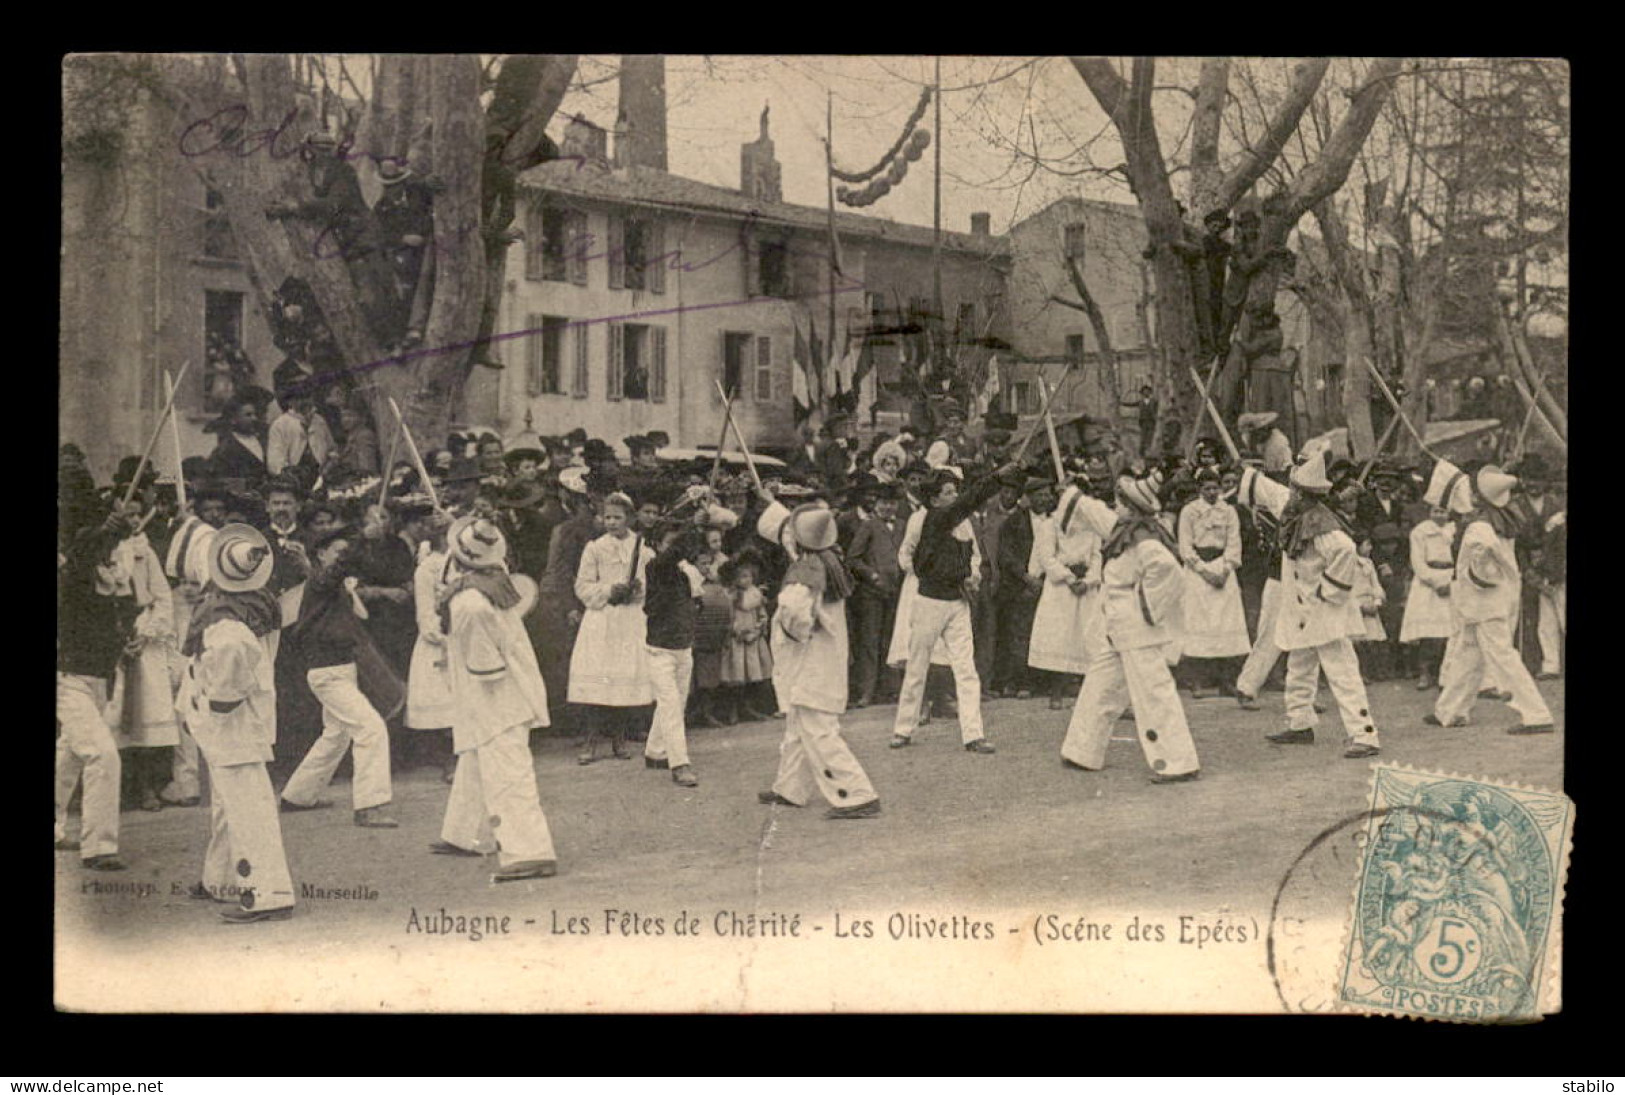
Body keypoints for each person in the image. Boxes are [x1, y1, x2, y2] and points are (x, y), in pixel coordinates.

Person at [175, 524, 298, 922]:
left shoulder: (225, 622)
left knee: (248, 806)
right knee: (229, 806)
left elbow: (229, 675)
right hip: (248, 713)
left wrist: (213, 704)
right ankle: (222, 879)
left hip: (232, 720)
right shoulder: (260, 603)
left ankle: (270, 894)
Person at [433, 516, 559, 882]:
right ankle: (464, 833)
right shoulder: (491, 577)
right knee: (474, 755)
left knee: (506, 769)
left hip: (497, 694)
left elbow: (486, 669)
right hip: (500, 688)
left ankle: (530, 851)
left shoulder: (469, 603)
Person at [1057, 470, 1202, 783]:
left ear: (1132, 508)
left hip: (1137, 626)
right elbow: (1097, 514)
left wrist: (1145, 607)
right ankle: (1083, 749)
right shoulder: (1127, 530)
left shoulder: (1145, 540)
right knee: (1101, 685)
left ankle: (1178, 761)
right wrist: (1073, 495)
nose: (1114, 506)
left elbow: (1170, 573)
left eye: (1120, 502)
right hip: (1119, 625)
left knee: (1153, 693)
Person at [753, 502, 881, 819]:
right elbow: (785, 531)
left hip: (812, 657)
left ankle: (857, 794)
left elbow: (794, 610)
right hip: (826, 654)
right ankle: (790, 787)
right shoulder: (828, 558)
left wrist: (793, 633)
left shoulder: (806, 568)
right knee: (799, 723)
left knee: (817, 726)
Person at [1256, 451, 1382, 759]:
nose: (1291, 492)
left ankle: (1365, 735)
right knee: (1299, 665)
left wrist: (1330, 593)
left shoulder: (1321, 525)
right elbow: (1269, 493)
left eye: (1295, 488)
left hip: (1324, 609)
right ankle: (1300, 722)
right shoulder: (1297, 514)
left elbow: (1346, 551)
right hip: (1303, 609)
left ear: (1304, 493)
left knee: (1342, 670)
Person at [279, 524, 402, 826]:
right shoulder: (320, 582)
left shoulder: (329, 584)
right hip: (328, 672)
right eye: (337, 551)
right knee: (371, 728)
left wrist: (366, 542)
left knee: (336, 735)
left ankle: (298, 795)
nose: (343, 557)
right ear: (320, 555)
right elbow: (342, 567)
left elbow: (353, 572)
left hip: (339, 669)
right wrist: (364, 537)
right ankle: (369, 805)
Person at [888, 464, 1012, 754]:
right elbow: (908, 557)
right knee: (917, 666)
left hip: (957, 602)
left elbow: (974, 558)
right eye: (948, 492)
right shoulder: (931, 520)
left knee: (966, 668)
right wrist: (997, 477)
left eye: (956, 491)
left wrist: (972, 577)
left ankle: (973, 734)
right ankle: (903, 729)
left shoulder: (963, 524)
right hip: (929, 601)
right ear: (934, 500)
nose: (955, 496)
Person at [1426, 464, 1555, 735]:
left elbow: (1483, 556)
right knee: (1469, 654)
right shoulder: (1499, 519)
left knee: (1502, 657)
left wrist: (1476, 577)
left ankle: (1536, 714)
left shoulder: (1480, 528)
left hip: (1485, 601)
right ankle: (1451, 710)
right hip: (1492, 600)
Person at [56, 507, 141, 870]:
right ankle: (99, 847)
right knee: (103, 755)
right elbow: (82, 555)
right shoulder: (73, 579)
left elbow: (118, 621)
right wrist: (108, 532)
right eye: (102, 553)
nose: (107, 559)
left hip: (100, 681)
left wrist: (126, 640)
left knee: (70, 756)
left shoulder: (111, 579)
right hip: (68, 679)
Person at [568, 491, 653, 763]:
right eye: (607, 517)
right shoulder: (594, 548)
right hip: (602, 620)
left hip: (628, 621)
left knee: (622, 681)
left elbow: (648, 581)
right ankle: (591, 743)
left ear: (629, 518)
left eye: (618, 517)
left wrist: (637, 589)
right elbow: (582, 585)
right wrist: (608, 590)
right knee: (598, 682)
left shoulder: (642, 547)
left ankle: (619, 740)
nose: (612, 522)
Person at [1029, 471, 1106, 709]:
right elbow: (1046, 557)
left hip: (1086, 587)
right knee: (1060, 636)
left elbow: (1097, 556)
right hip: (1062, 587)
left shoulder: (1091, 527)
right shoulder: (1050, 524)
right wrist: (1069, 578)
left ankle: (1087, 693)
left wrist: (1090, 579)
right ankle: (1056, 692)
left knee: (1088, 637)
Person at [642, 519, 706, 788]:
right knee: (670, 703)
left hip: (683, 646)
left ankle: (655, 751)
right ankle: (679, 763)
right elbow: (673, 554)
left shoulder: (687, 572)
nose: (675, 549)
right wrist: (696, 524)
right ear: (657, 546)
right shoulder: (655, 567)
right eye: (668, 544)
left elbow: (695, 604)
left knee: (676, 703)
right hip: (660, 650)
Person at [1177, 467, 1251, 698]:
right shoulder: (1190, 511)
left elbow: (1234, 542)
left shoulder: (1228, 511)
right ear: (1199, 489)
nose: (1212, 492)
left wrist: (1226, 569)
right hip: (1198, 571)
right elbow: (1185, 545)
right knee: (1197, 623)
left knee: (1226, 624)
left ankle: (1226, 680)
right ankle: (1197, 681)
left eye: (1215, 488)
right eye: (1207, 488)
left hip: (1222, 568)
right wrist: (1202, 570)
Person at [845, 483, 905, 707]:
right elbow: (853, 558)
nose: (888, 507)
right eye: (884, 503)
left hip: (896, 591)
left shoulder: (901, 526)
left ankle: (890, 689)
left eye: (892, 503)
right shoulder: (868, 526)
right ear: (876, 504)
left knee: (891, 640)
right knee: (870, 641)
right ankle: (866, 691)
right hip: (872, 592)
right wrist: (872, 575)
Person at [994, 475, 1053, 699]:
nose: (1046, 499)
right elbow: (1006, 555)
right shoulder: (1013, 522)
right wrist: (1026, 577)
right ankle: (1017, 681)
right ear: (1028, 497)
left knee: (1042, 634)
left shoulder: (1054, 522)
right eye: (1041, 495)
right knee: (1017, 634)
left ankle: (1041, 681)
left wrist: (1045, 579)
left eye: (1048, 494)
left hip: (1046, 586)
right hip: (1018, 586)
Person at [1400, 502, 1456, 690]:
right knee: (1428, 630)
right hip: (1428, 582)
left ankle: (1446, 673)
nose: (1440, 515)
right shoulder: (1420, 532)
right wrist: (1435, 582)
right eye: (1436, 511)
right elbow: (1417, 561)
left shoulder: (1455, 530)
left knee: (1450, 630)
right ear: (1429, 512)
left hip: (1451, 578)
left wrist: (1452, 582)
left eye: (1443, 511)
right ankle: (1424, 672)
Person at [719, 550, 775, 720]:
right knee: (736, 674)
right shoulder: (731, 596)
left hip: (753, 638)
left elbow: (762, 615)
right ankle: (733, 709)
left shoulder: (756, 595)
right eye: (742, 577)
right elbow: (729, 616)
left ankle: (748, 707)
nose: (746, 580)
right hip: (737, 638)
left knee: (752, 673)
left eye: (749, 576)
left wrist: (758, 629)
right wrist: (737, 631)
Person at [208, 392, 270, 488]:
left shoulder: (262, 440)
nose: (254, 418)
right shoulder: (225, 449)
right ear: (234, 420)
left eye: (254, 414)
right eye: (248, 415)